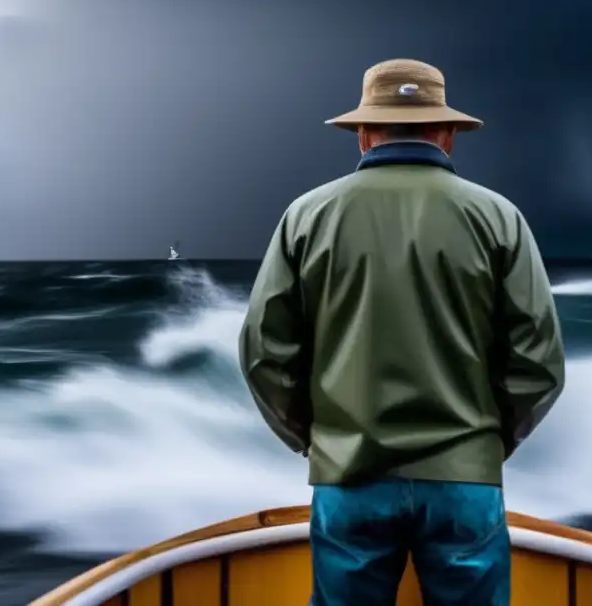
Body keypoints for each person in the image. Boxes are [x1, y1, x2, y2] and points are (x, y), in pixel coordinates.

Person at [239, 58, 566, 606]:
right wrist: (483, 445)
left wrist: (317, 439)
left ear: (363, 133)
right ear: (448, 134)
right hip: (465, 481)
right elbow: (538, 359)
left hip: (350, 475)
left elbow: (264, 353)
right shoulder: (498, 217)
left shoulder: (307, 216)